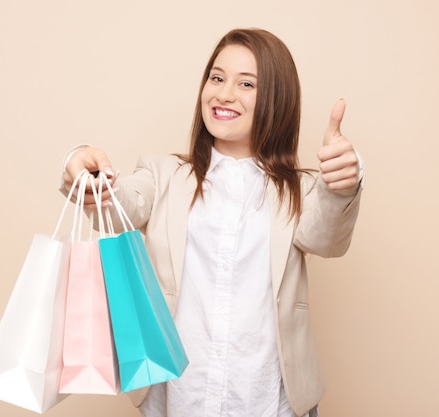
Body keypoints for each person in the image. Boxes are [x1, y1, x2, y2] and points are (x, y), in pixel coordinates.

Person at [61, 28, 363, 417]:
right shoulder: (163, 174)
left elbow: (328, 239)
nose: (223, 94)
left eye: (247, 84)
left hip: (270, 399)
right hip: (180, 396)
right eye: (217, 78)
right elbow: (117, 202)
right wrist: (83, 171)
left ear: (276, 99)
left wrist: (341, 186)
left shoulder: (300, 190)